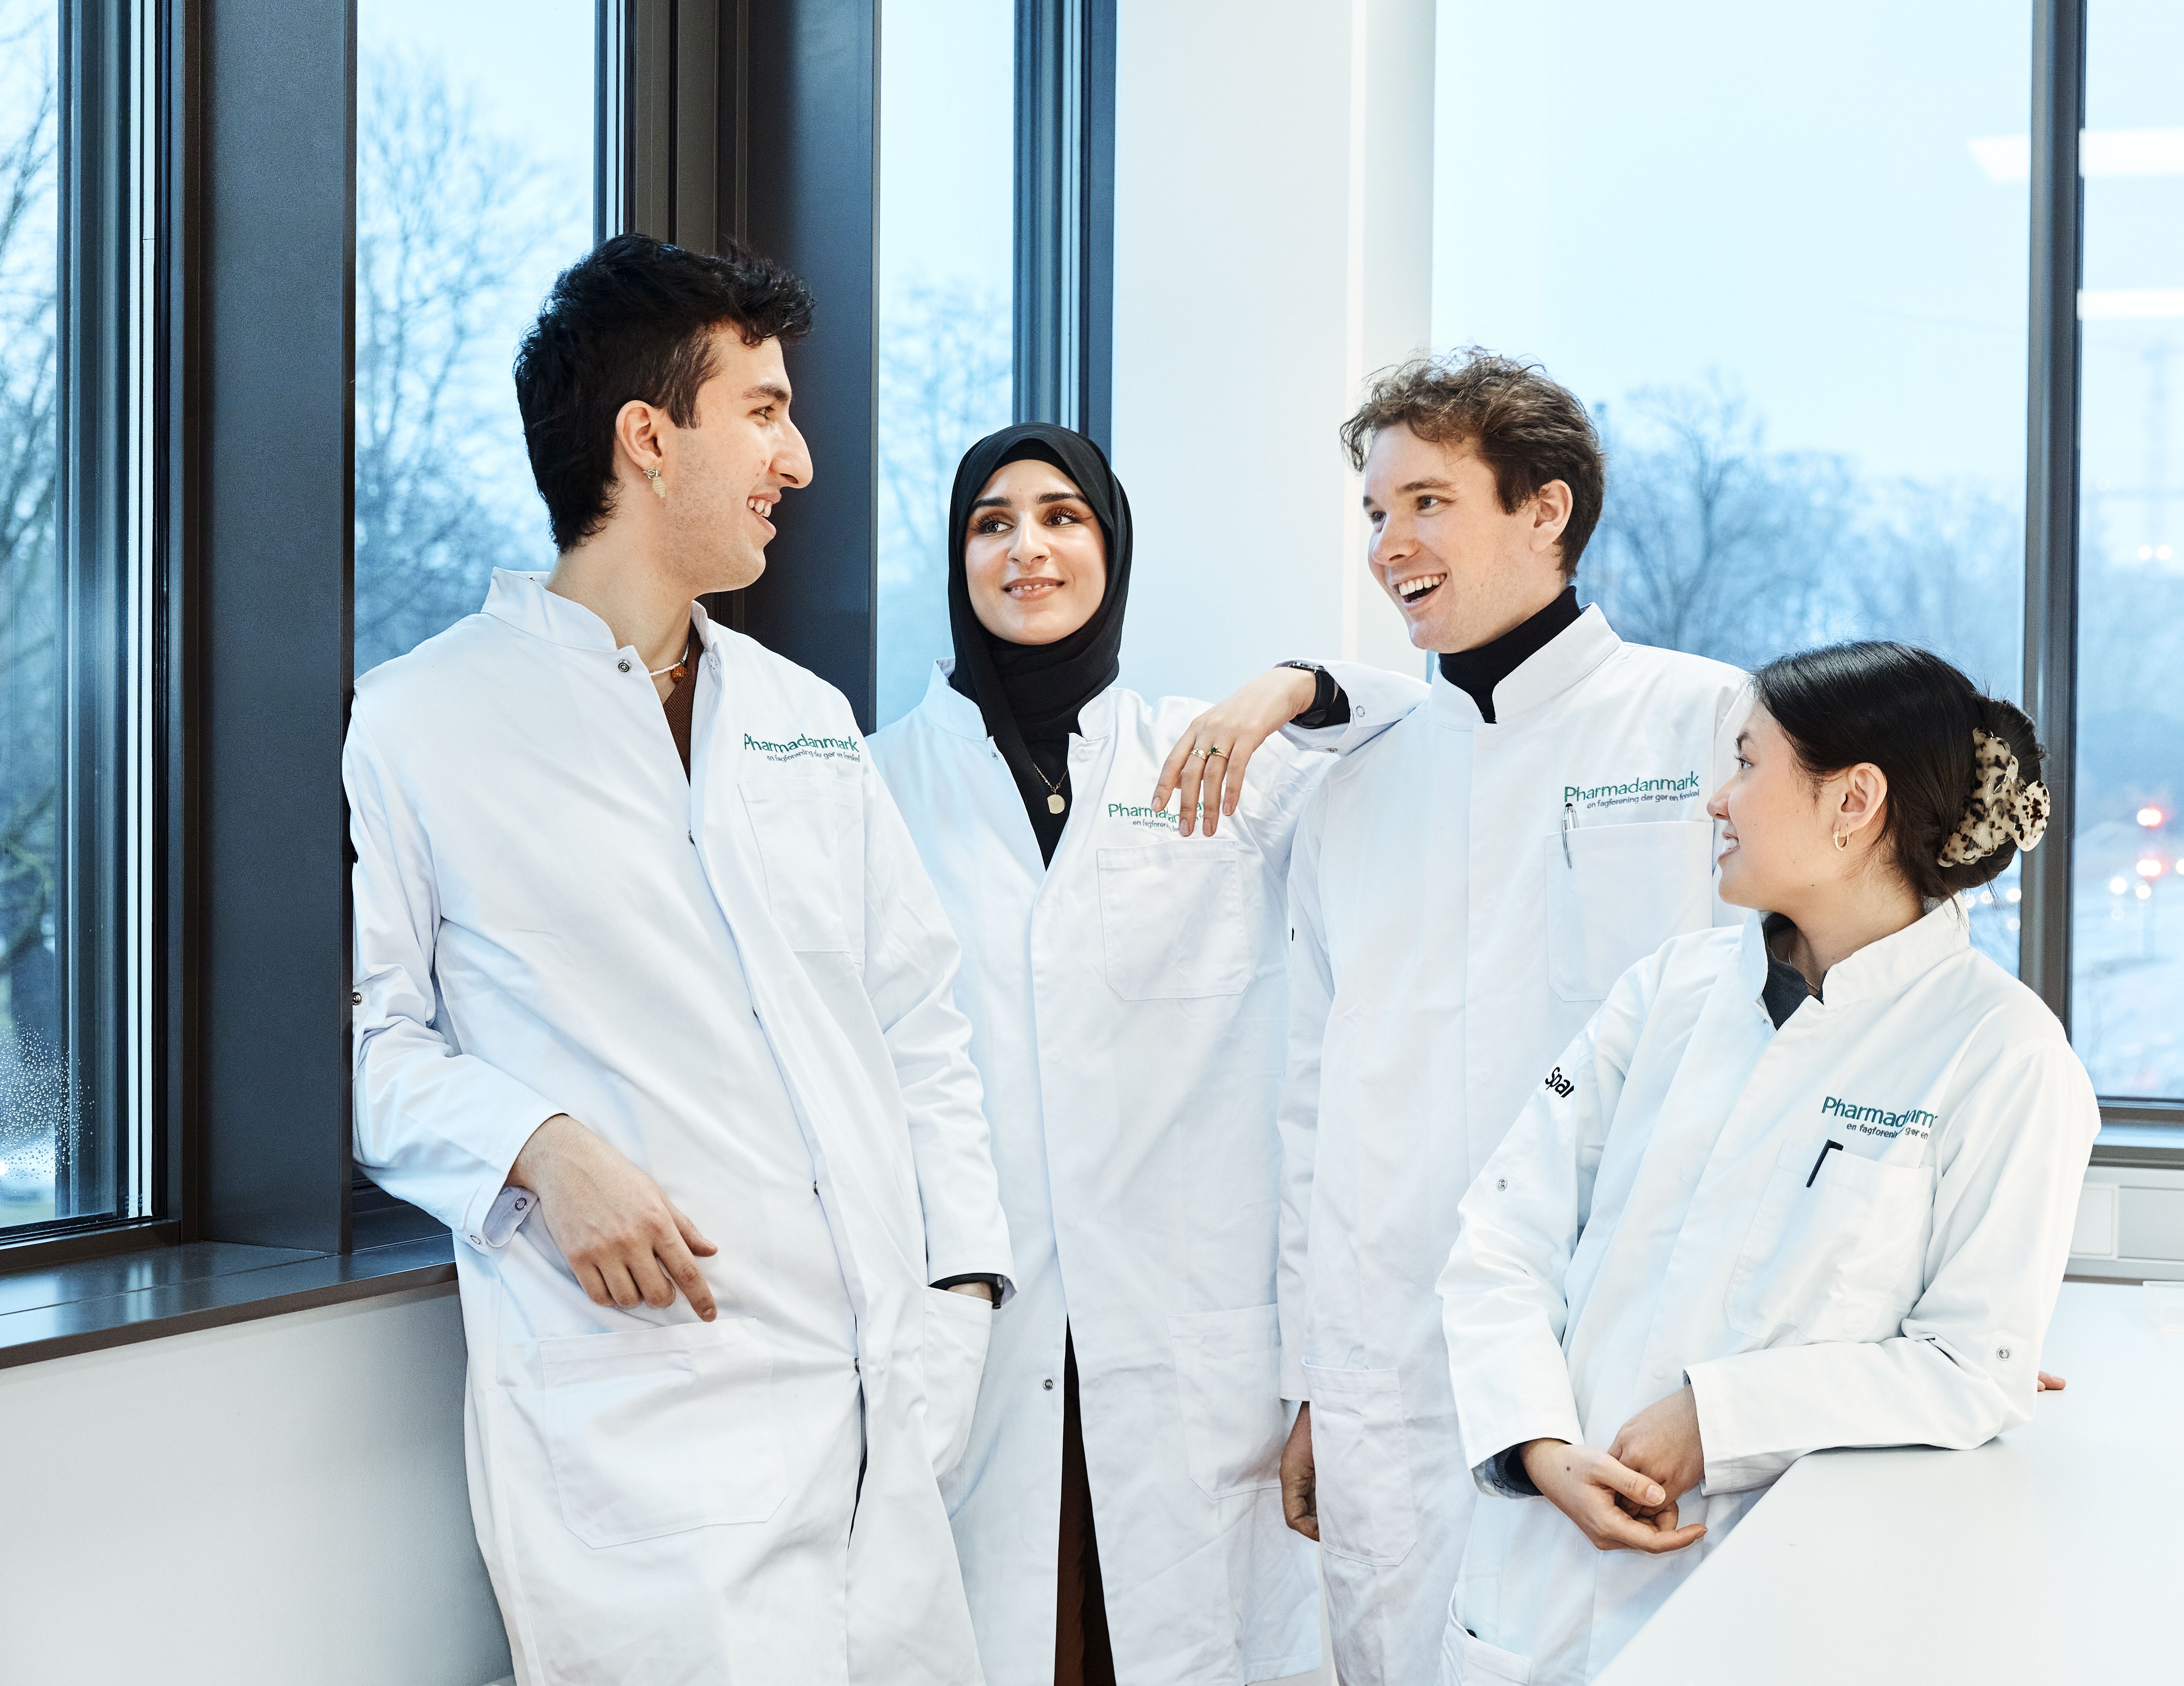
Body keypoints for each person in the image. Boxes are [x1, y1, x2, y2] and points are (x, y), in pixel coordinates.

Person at [345, 234, 1011, 1686]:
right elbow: (367, 1038)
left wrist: (961, 1292)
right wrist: (537, 1143)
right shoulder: (424, 721)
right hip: (649, 1428)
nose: (802, 457)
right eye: (763, 410)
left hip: (884, 1414)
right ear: (649, 439)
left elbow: (918, 1022)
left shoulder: (801, 714)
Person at [868, 423, 1425, 1686]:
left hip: (1184, 1337)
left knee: (1177, 1640)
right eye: (991, 523)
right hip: (983, 1327)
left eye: (1063, 517)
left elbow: (1420, 733)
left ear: (1111, 549)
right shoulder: (883, 779)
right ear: (957, 559)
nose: (1028, 549)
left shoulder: (1213, 756)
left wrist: (1289, 683)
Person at [1437, 641, 2099, 1683]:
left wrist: (1718, 1417)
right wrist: (1536, 1444)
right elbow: (1504, 1228)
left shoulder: (2005, 1056)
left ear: (1855, 802)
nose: (1718, 800)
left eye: (1749, 764)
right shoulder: (1669, 990)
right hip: (1539, 1586)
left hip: (1775, 1601)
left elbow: (1974, 1368)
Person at [1274, 351, 1751, 1686]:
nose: (1390, 544)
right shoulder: (1358, 787)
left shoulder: (1703, 724)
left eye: (1426, 502)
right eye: (1374, 514)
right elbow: (1309, 1100)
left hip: (1616, 1353)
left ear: (1546, 511)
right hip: (1392, 1357)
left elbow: (1801, 1038)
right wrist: (1318, 1377)